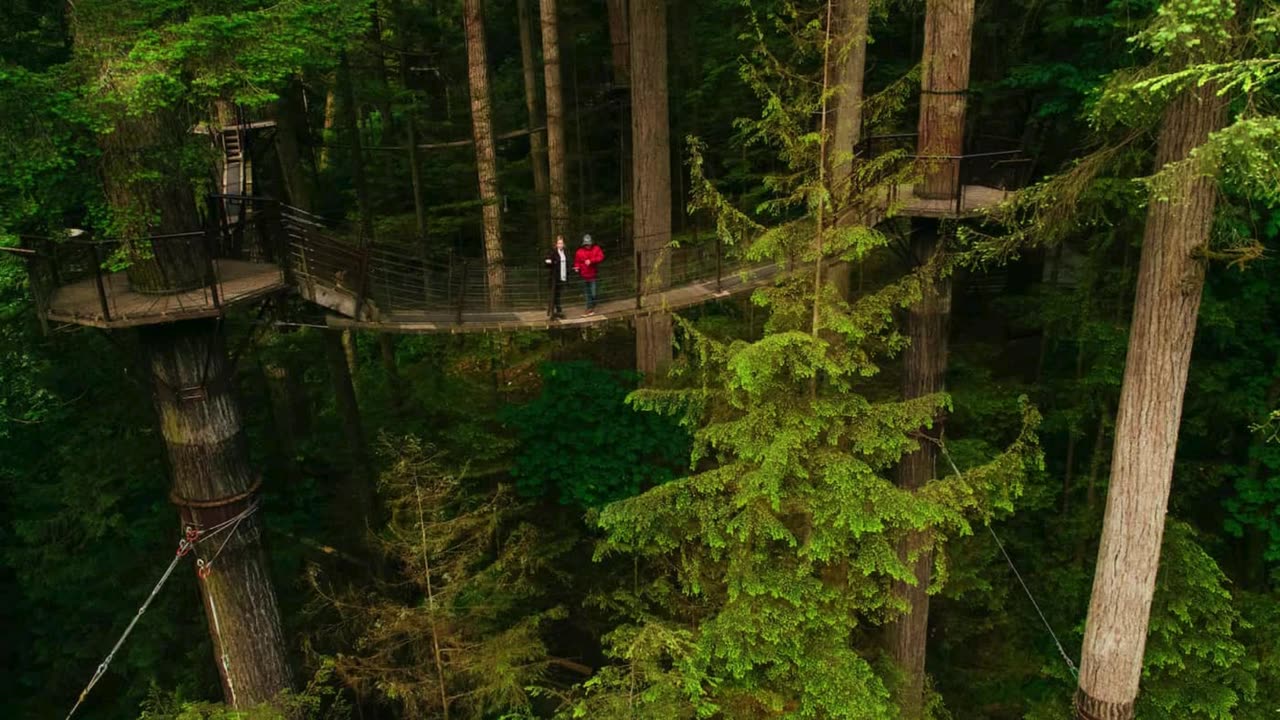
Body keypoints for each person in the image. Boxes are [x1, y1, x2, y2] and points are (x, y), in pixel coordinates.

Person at [573, 233, 605, 316]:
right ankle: (589, 309)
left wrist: (591, 261)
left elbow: (601, 257)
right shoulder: (579, 252)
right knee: (587, 293)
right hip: (584, 275)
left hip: (593, 275)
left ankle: (592, 305)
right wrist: (577, 267)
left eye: (589, 244)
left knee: (593, 293)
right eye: (586, 244)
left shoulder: (596, 249)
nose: (588, 246)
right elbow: (577, 262)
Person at [544, 235, 570, 319]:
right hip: (554, 276)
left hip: (562, 275)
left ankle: (556, 310)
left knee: (558, 293)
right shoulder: (553, 252)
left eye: (561, 243)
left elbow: (568, 262)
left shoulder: (565, 252)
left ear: (564, 244)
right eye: (559, 243)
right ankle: (555, 310)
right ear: (556, 244)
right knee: (554, 294)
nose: (560, 245)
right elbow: (548, 261)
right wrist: (549, 262)